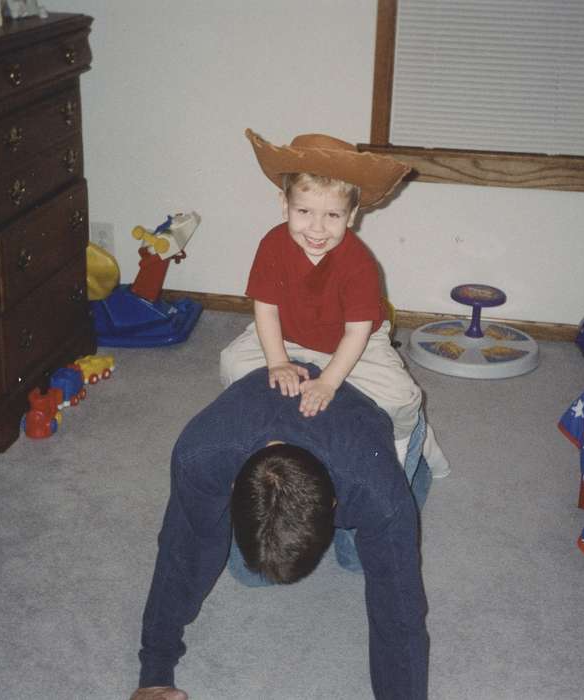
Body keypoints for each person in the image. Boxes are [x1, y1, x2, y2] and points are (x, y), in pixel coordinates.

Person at [132, 365, 429, 700]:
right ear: (233, 487)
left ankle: (418, 459)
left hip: (368, 417)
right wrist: (154, 675)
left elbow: (400, 610)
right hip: (261, 404)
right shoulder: (200, 454)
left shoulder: (375, 489)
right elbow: (182, 553)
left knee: (359, 559)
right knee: (254, 573)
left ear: (334, 504)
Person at [220, 129, 448, 476]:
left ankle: (404, 446)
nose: (317, 228)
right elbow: (265, 309)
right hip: (290, 332)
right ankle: (262, 429)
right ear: (285, 205)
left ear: (352, 215)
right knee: (232, 364)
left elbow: (357, 333)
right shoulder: (271, 244)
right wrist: (278, 360)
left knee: (401, 399)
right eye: (304, 211)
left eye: (333, 216)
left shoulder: (359, 262)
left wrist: (328, 381)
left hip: (353, 341)